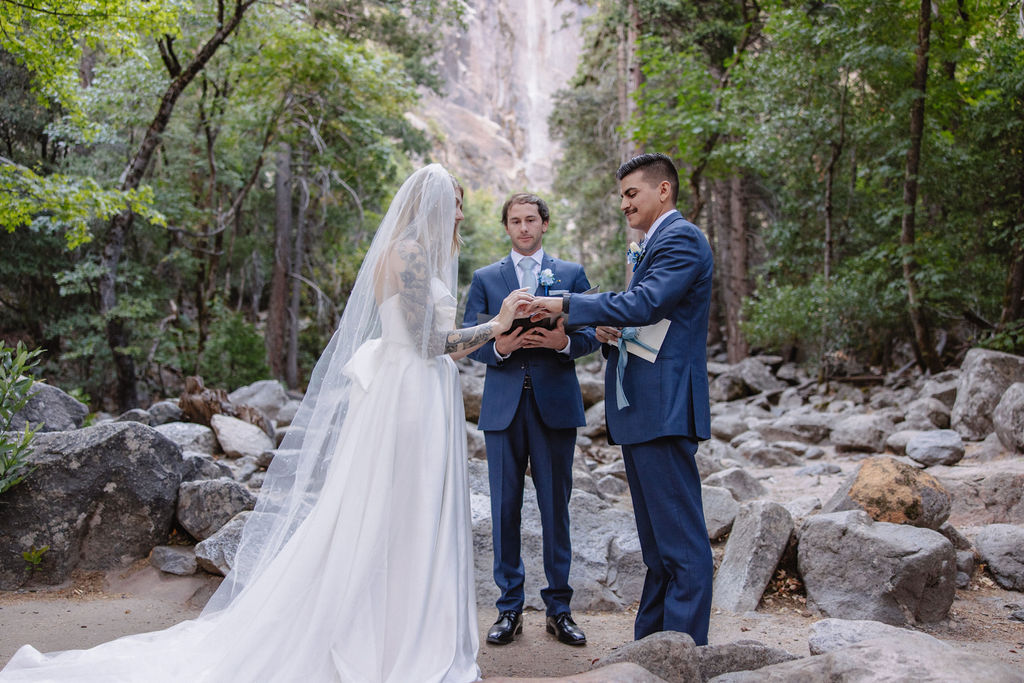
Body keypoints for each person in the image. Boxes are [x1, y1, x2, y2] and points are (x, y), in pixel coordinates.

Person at [1, 164, 533, 682]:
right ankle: (392, 637)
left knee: (403, 510)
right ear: (433, 206)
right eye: (456, 206)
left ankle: (402, 624)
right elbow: (427, 343)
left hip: (415, 390)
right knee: (398, 509)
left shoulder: (411, 252)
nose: (460, 217)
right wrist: (497, 322)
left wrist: (492, 336)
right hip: (409, 397)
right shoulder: (410, 252)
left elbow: (429, 342)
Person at [528, 153, 714, 646]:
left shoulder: (681, 238)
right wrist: (611, 332)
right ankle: (652, 647)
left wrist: (569, 306)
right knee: (656, 548)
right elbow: (646, 318)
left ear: (664, 191)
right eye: (622, 196)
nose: (625, 204)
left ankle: (684, 654)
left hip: (665, 407)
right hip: (644, 408)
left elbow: (646, 303)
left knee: (682, 545)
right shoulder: (652, 244)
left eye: (633, 193)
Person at [462, 193, 600, 647]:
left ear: (544, 225)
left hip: (555, 406)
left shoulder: (572, 274)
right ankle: (509, 610)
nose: (523, 228)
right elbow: (468, 340)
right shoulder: (485, 279)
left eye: (531, 220)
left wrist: (562, 341)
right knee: (504, 511)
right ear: (506, 227)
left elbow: (591, 335)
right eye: (515, 221)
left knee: (555, 509)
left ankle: (559, 610)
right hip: (503, 409)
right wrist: (501, 347)